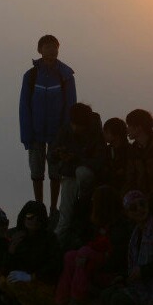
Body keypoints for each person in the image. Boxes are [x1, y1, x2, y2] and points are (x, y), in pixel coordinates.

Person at [19, 34, 77, 217]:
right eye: (48, 46)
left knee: (55, 172)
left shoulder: (65, 75)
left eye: (55, 47)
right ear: (39, 49)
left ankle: (53, 209)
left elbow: (71, 106)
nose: (52, 50)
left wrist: (66, 135)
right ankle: (39, 207)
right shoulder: (31, 75)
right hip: (35, 133)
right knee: (36, 171)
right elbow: (24, 106)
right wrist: (26, 134)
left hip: (57, 134)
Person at [55, 185, 128, 305]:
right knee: (70, 256)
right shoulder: (98, 225)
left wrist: (90, 257)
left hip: (111, 269)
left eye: (95, 200)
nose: (92, 202)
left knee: (84, 252)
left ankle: (78, 297)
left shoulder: (120, 227)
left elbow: (117, 256)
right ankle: (61, 299)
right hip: (97, 260)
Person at [1, 200, 62, 305]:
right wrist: (11, 251)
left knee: (12, 283)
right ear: (23, 217)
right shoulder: (18, 238)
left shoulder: (49, 238)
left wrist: (32, 276)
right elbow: (6, 270)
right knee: (4, 282)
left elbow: (55, 264)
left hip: (45, 285)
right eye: (30, 216)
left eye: (39, 217)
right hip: (27, 285)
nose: (34, 220)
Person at [49, 103, 107, 250]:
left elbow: (100, 161)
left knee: (82, 172)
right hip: (69, 176)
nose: (75, 128)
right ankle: (55, 249)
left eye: (78, 125)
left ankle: (83, 199)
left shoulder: (96, 134)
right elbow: (50, 156)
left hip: (88, 177)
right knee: (65, 217)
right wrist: (58, 154)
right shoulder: (65, 129)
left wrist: (76, 159)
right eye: (73, 124)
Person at [125, 109, 153, 193]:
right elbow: (130, 179)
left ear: (139, 127)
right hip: (142, 197)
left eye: (129, 125)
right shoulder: (133, 150)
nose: (127, 130)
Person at [103, 117, 139, 193]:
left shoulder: (130, 151)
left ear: (116, 135)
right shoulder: (107, 150)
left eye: (106, 132)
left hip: (125, 191)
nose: (104, 135)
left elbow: (130, 176)